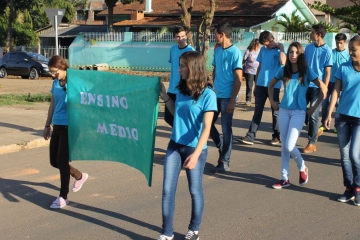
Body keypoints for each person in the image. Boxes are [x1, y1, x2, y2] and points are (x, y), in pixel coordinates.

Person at [158, 51, 217, 240]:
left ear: (193, 69)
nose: (179, 69)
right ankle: (167, 233)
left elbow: (207, 128)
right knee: (167, 190)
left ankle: (194, 230)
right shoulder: (181, 90)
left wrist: (197, 154)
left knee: (195, 189)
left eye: (182, 65)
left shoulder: (208, 95)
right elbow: (177, 114)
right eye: (180, 65)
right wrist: (165, 96)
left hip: (194, 148)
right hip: (174, 145)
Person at [269, 42, 326, 189]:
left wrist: (313, 108)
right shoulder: (284, 70)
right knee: (284, 147)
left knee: (289, 145)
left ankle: (302, 167)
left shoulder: (307, 71)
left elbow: (323, 89)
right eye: (291, 52)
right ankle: (284, 178)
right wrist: (273, 102)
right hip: (283, 110)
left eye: (296, 52)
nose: (293, 55)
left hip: (299, 112)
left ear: (300, 54)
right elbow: (270, 85)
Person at [43, 55, 88, 209]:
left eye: (55, 71)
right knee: (54, 161)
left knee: (62, 162)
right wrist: (47, 125)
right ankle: (80, 176)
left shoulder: (74, 82)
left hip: (71, 126)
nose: (53, 74)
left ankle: (63, 197)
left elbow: (84, 100)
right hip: (57, 125)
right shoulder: (55, 83)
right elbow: (53, 104)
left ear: (63, 68)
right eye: (51, 72)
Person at [325, 35, 360, 205]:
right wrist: (330, 113)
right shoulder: (344, 67)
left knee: (355, 154)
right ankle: (349, 188)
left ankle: (359, 187)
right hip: (343, 116)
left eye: (354, 50)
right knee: (344, 156)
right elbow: (336, 91)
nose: (350, 53)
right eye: (350, 49)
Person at [238, 30, 286, 146]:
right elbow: (259, 66)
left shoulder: (279, 50)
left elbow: (283, 62)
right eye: (263, 44)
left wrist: (282, 48)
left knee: (275, 112)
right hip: (260, 84)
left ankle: (276, 136)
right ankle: (250, 135)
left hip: (274, 86)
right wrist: (255, 85)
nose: (265, 46)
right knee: (257, 111)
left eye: (266, 43)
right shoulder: (263, 50)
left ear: (272, 40)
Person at [210, 22, 243, 173]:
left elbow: (238, 79)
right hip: (215, 95)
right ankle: (221, 146)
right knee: (207, 124)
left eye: (215, 33)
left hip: (227, 98)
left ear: (222, 34)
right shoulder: (216, 51)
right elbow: (215, 71)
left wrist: (232, 100)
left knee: (226, 129)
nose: (213, 36)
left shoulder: (235, 52)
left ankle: (225, 161)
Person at [303, 24, 332, 153]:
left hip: (317, 87)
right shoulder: (308, 48)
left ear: (318, 34)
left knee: (314, 115)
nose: (310, 34)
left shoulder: (327, 51)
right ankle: (316, 130)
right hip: (305, 85)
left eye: (312, 32)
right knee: (302, 112)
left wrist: (324, 89)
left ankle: (312, 142)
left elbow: (327, 72)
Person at [318, 33, 350, 137]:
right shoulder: (331, 53)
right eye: (337, 43)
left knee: (338, 104)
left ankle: (336, 125)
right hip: (330, 82)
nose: (339, 45)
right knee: (325, 103)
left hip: (341, 83)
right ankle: (324, 124)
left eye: (341, 43)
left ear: (345, 43)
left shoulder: (348, 55)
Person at [165, 25, 195, 127]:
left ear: (186, 36)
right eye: (178, 37)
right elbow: (173, 66)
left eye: (182, 36)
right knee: (168, 117)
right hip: (172, 87)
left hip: (183, 88)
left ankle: (181, 134)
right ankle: (180, 131)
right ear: (174, 37)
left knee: (180, 115)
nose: (180, 39)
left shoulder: (191, 50)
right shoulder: (173, 49)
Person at [242, 38, 261, 106]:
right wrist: (243, 68)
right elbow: (243, 60)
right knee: (249, 86)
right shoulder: (248, 51)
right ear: (256, 45)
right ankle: (248, 99)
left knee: (258, 86)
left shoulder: (260, 51)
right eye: (259, 45)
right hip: (249, 71)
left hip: (258, 71)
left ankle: (257, 99)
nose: (260, 46)